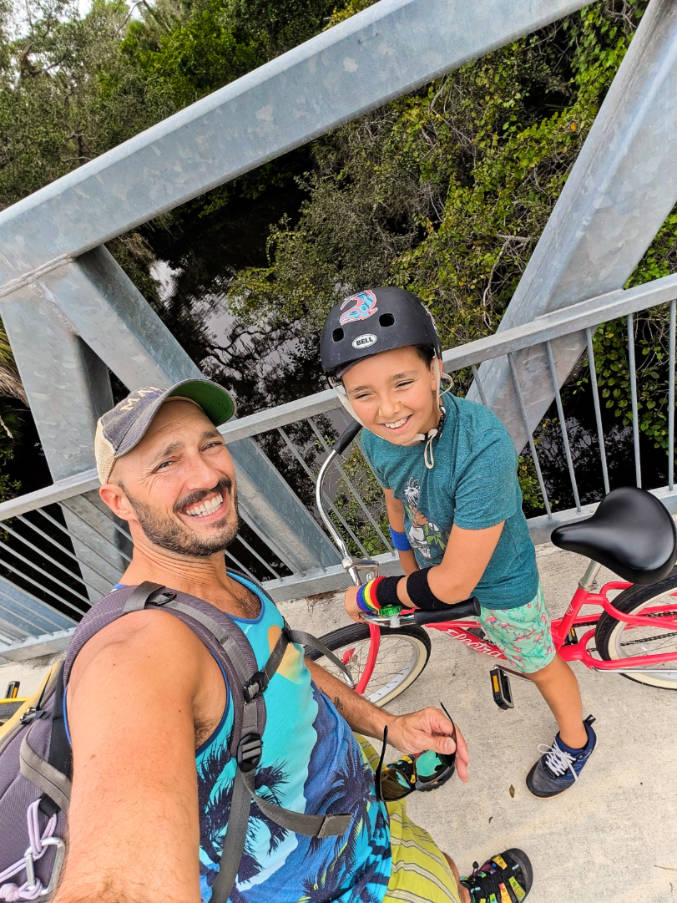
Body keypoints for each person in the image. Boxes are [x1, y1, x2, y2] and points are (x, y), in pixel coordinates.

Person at [52, 379, 534, 903]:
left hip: (361, 821)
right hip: (333, 887)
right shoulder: (135, 655)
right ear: (118, 500)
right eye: (166, 463)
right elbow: (117, 882)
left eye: (209, 444)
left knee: (436, 869)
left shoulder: (229, 584)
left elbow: (284, 667)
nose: (208, 474)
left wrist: (388, 725)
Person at [320, 287, 597, 798]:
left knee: (541, 665)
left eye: (402, 382)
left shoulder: (482, 449)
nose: (386, 409)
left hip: (498, 584)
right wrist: (406, 569)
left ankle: (577, 740)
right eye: (363, 394)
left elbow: (453, 584)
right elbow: (395, 498)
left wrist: (375, 594)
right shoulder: (381, 436)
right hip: (442, 570)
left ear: (435, 371)